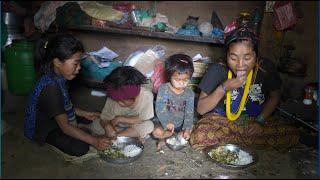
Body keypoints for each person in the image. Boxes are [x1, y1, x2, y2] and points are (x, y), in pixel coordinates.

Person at [190, 27, 299, 149]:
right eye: (233, 58)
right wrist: (223, 87)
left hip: (255, 120)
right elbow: (201, 109)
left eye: (247, 58)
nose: (240, 65)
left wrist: (260, 121)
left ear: (256, 56)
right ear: (226, 56)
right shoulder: (218, 69)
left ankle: (232, 141)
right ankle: (245, 141)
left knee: (291, 133)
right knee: (199, 136)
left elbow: (275, 96)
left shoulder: (265, 68)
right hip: (223, 121)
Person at [24, 33, 111, 157]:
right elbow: (65, 127)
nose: (79, 67)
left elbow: (63, 105)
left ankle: (81, 126)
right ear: (57, 62)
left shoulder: (58, 77)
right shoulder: (50, 88)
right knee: (80, 147)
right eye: (75, 64)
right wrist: (94, 141)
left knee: (93, 115)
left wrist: (83, 113)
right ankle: (73, 133)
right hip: (46, 127)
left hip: (56, 115)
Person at [89, 66, 155, 143]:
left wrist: (121, 119)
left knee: (149, 126)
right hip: (117, 125)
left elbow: (142, 118)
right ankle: (128, 135)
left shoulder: (146, 96)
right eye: (117, 100)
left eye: (123, 101)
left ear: (135, 96)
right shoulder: (113, 98)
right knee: (96, 125)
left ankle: (118, 135)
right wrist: (107, 126)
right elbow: (105, 118)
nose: (119, 103)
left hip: (135, 123)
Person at [152, 54, 195, 151]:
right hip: (164, 122)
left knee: (188, 134)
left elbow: (189, 113)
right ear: (169, 76)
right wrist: (166, 123)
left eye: (186, 80)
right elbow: (159, 108)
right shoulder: (164, 89)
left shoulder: (190, 94)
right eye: (177, 80)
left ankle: (173, 136)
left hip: (180, 125)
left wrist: (187, 129)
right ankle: (163, 138)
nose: (181, 83)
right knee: (157, 132)